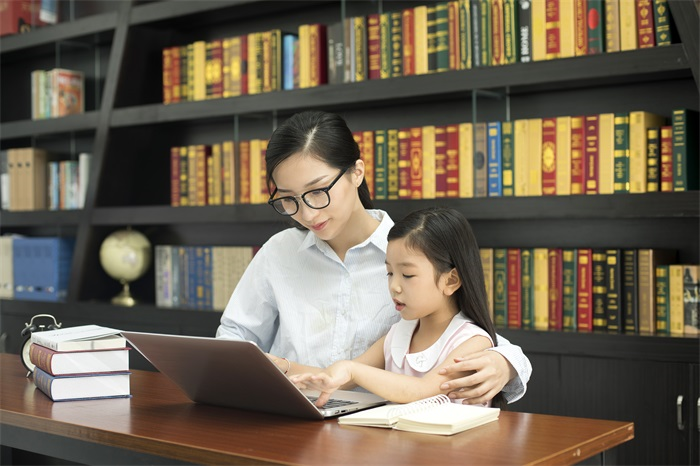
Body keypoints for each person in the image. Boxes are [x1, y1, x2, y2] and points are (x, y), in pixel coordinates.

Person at [216, 110, 532, 405]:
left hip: (379, 432)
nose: (307, 213)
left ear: (357, 172)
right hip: (288, 416)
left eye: (317, 191)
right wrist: (265, 365)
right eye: (288, 199)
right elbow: (234, 336)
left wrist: (506, 362)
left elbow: (462, 333)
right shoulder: (279, 251)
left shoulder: (409, 257)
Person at [291, 207, 505, 408]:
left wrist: (351, 370)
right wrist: (301, 376)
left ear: (451, 281)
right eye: (390, 273)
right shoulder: (398, 334)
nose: (394, 286)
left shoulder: (472, 341)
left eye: (408, 275)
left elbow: (422, 391)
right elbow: (343, 378)